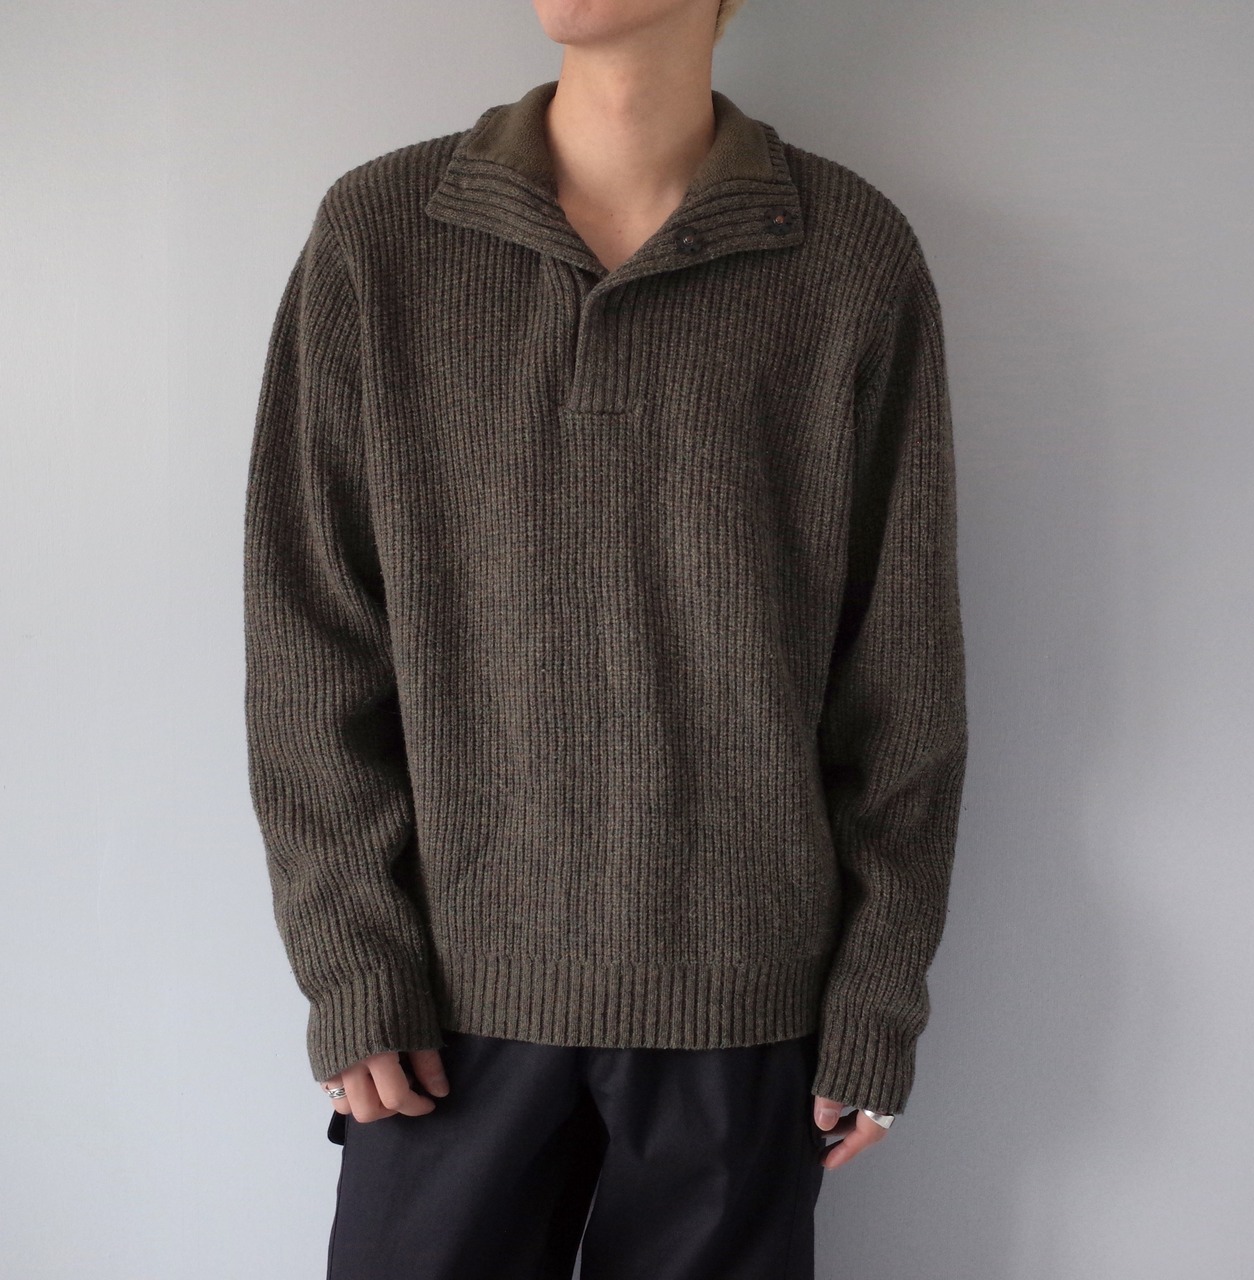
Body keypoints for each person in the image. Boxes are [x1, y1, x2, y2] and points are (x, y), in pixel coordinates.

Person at [242, 0, 968, 1275]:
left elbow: (899, 670)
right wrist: (351, 959)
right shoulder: (383, 233)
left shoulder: (844, 252)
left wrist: (874, 991)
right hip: (442, 1009)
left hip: (742, 997)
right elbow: (308, 636)